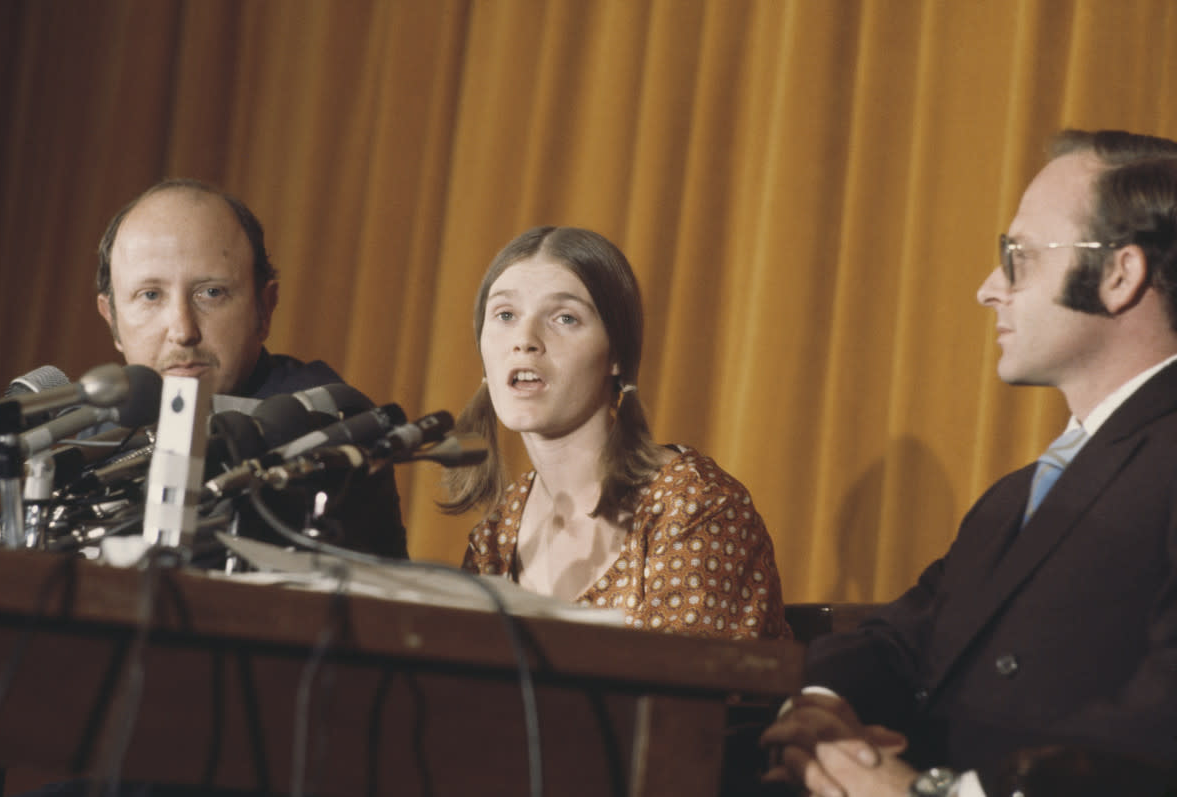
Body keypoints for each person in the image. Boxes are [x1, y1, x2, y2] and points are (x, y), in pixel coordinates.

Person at [759, 129, 1177, 796]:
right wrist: (819, 706)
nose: (989, 289)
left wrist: (936, 795)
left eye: (1018, 256)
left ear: (1119, 275)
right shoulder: (1016, 496)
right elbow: (901, 641)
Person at [444, 226, 790, 641]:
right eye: (505, 315)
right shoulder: (496, 536)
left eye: (565, 318)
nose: (524, 340)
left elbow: (684, 699)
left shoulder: (695, 509)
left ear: (617, 356)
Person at [96, 179, 406, 559]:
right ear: (111, 319)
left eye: (211, 293)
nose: (182, 330)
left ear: (264, 308)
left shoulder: (326, 422)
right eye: (150, 295)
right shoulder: (89, 436)